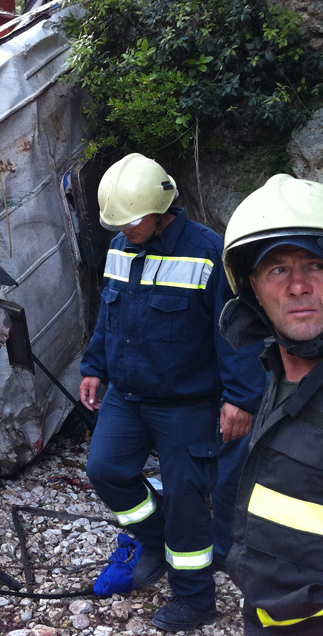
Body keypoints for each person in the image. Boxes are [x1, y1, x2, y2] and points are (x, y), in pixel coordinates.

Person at [79, 153, 264, 632]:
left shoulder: (208, 254)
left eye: (133, 221)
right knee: (104, 470)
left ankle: (196, 598)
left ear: (162, 208)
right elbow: (108, 314)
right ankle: (153, 537)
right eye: (118, 223)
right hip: (127, 395)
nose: (125, 230)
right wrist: (94, 366)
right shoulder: (121, 246)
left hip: (186, 405)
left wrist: (241, 399)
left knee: (187, 500)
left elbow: (237, 334)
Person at [220, 174, 323, 634]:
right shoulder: (277, 374)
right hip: (269, 612)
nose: (299, 285)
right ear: (253, 289)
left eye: (316, 265)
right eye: (278, 268)